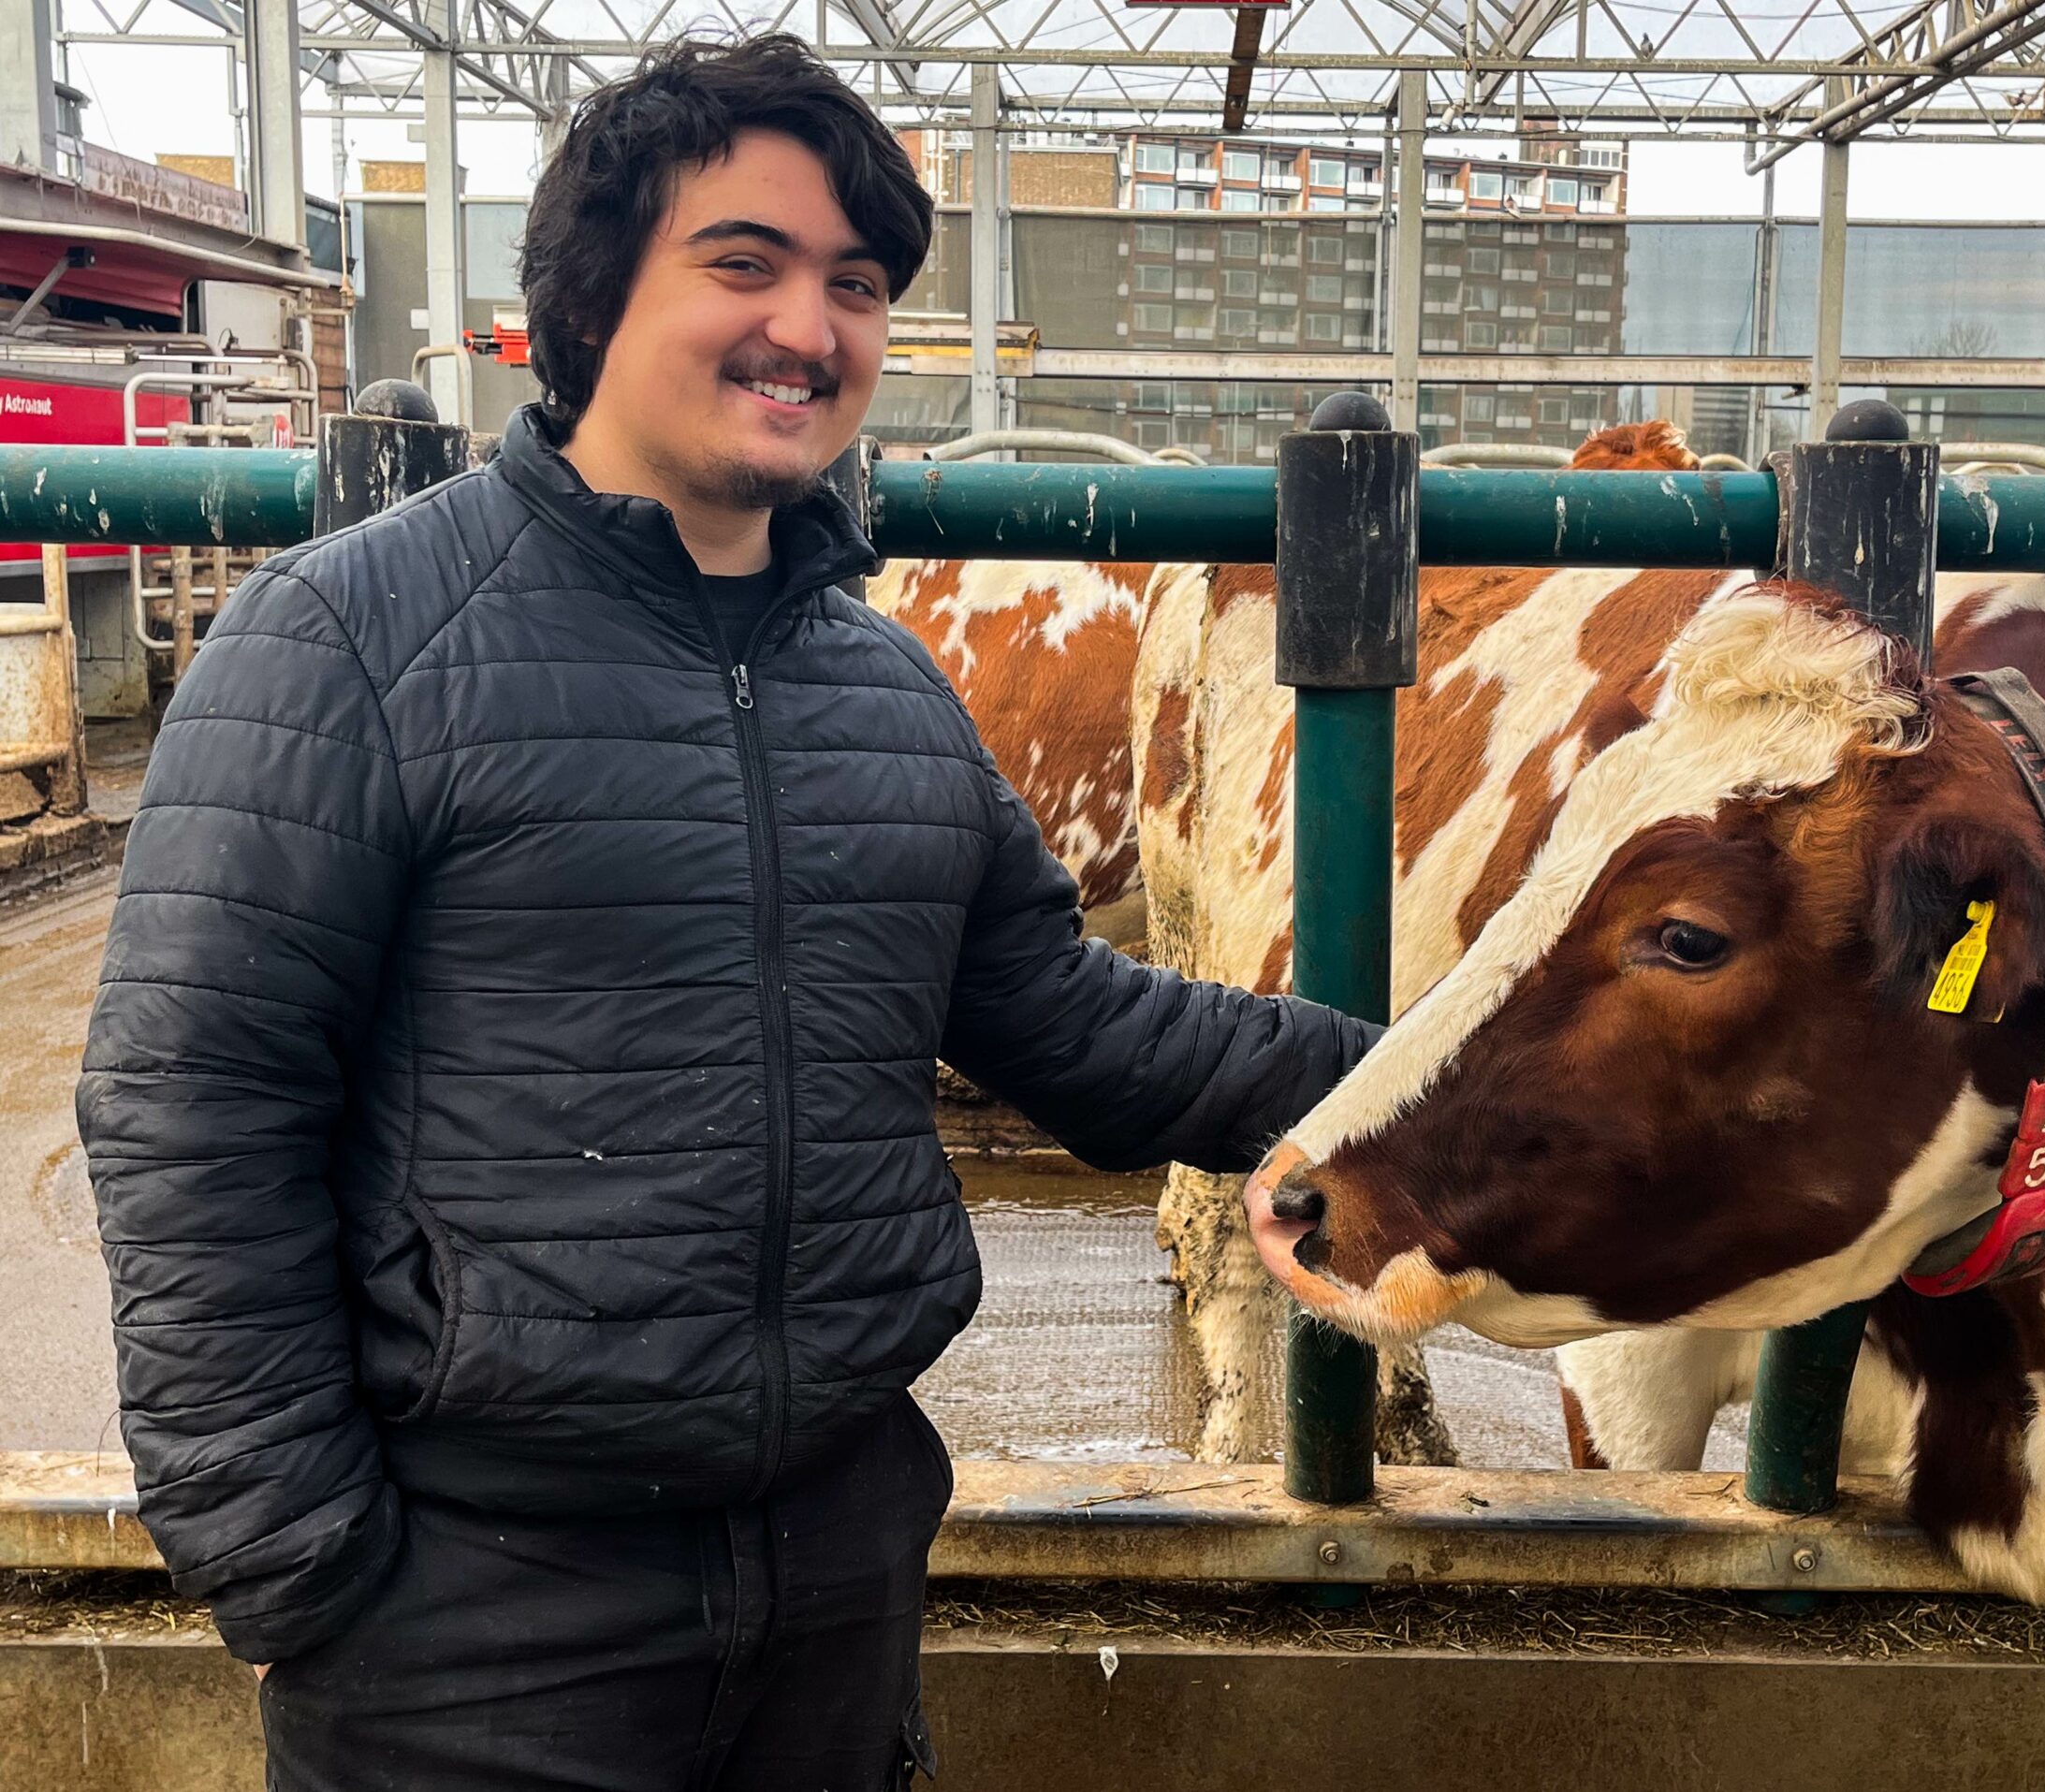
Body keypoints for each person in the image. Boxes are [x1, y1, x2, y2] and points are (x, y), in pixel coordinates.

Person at [79, 36, 1370, 1790]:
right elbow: (194, 1105)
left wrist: (1437, 1078)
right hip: (470, 1613)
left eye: (856, 284)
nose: (810, 329)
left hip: (837, 1569)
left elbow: (1072, 1023)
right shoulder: (347, 639)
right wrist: (293, 1560)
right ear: (591, 295)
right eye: (744, 263)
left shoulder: (883, 686)